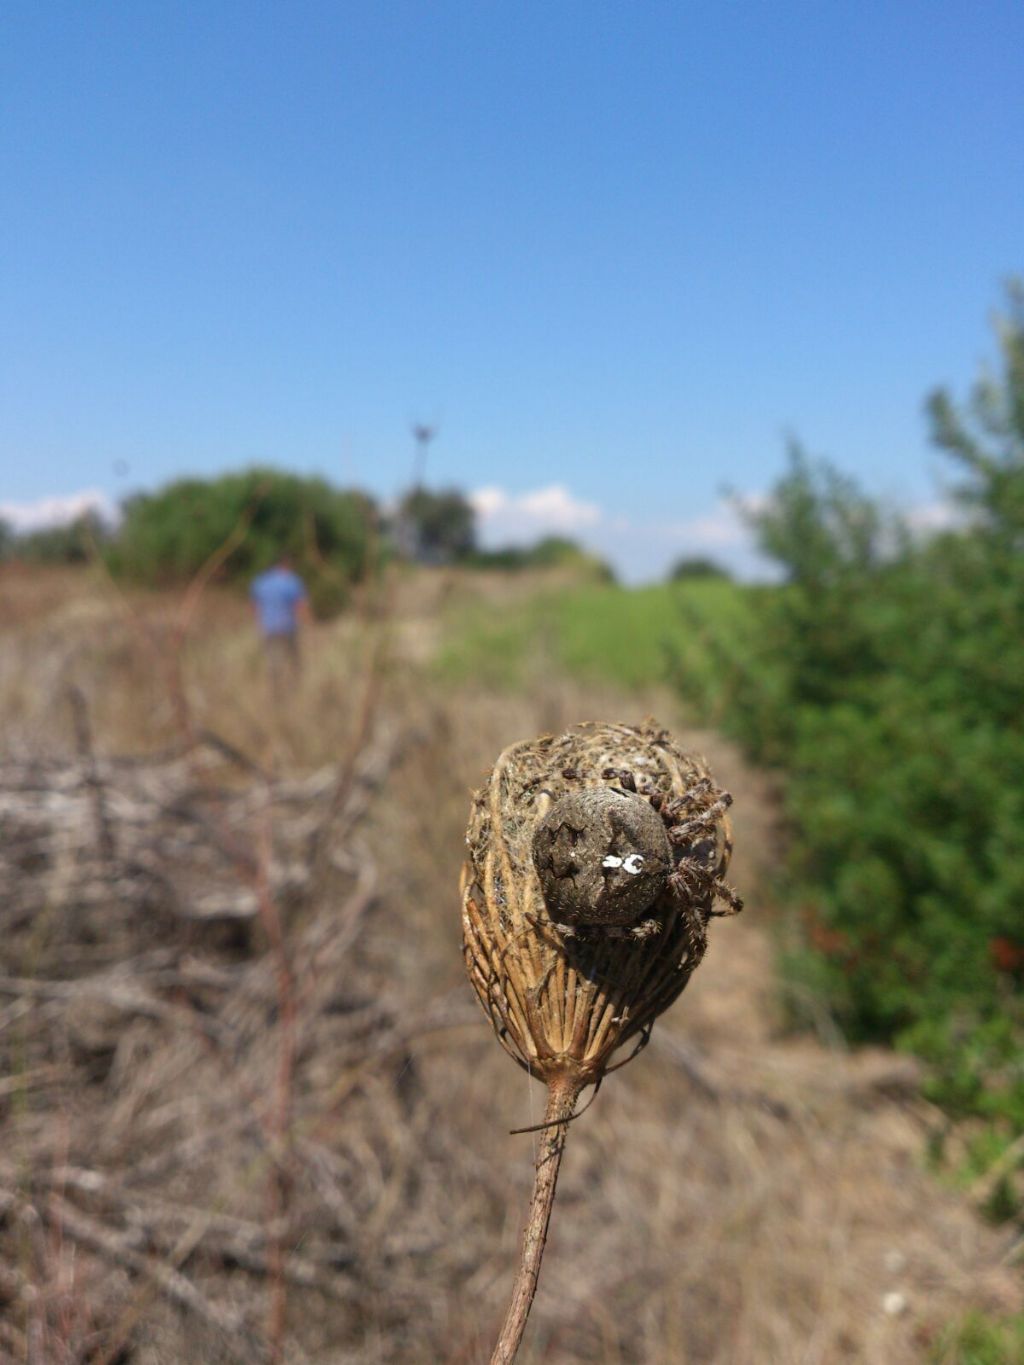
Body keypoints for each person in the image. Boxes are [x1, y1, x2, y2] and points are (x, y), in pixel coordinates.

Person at [250, 555, 309, 694]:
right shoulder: (292, 581)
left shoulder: (261, 581)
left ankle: (275, 691)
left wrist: (260, 623)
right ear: (287, 564)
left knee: (273, 660)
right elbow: (300, 605)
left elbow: (255, 605)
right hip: (287, 627)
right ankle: (295, 689)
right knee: (293, 660)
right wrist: (309, 623)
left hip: (267, 627)